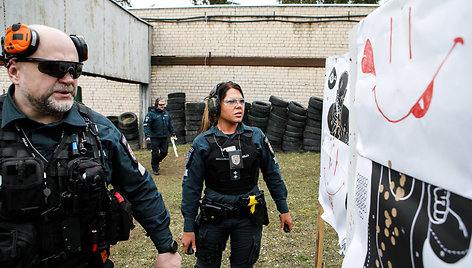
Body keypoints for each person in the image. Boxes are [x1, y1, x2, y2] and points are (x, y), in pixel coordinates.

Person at [0, 23, 181, 267]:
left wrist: (166, 248)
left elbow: (139, 188)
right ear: (14, 71)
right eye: (54, 68)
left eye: (75, 70)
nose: (68, 79)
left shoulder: (99, 129)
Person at [181, 81, 293, 267]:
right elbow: (191, 187)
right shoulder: (203, 142)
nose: (238, 106)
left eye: (241, 101)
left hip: (248, 215)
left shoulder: (255, 137)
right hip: (214, 217)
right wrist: (188, 227)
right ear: (216, 105)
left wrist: (284, 209)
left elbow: (272, 174)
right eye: (231, 101)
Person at [143, 98, 176, 175]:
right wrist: (147, 135)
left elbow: (169, 124)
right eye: (160, 105)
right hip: (155, 137)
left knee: (164, 152)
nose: (162, 106)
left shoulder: (166, 113)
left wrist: (172, 133)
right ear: (156, 105)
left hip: (164, 137)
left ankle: (157, 160)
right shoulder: (151, 114)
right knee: (155, 153)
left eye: (163, 105)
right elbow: (146, 125)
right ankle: (155, 168)